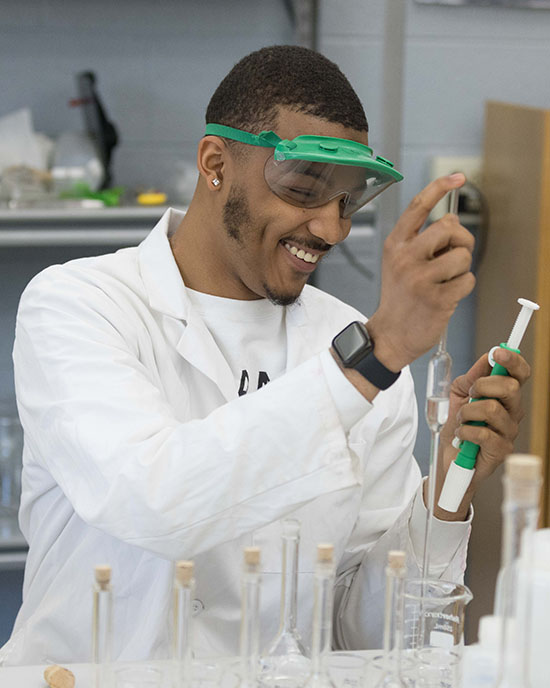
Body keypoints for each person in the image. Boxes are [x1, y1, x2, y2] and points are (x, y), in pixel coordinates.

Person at [2, 46, 529, 666]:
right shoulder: (79, 303)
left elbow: (368, 639)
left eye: (346, 201)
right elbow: (153, 498)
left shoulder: (354, 346)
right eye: (305, 186)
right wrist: (372, 359)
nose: (331, 230)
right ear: (215, 162)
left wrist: (446, 491)